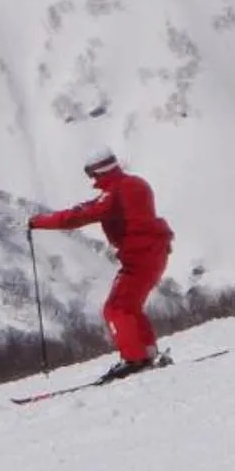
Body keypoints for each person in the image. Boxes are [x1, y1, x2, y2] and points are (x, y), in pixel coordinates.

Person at [29, 148, 175, 381]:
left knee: (116, 308)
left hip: (140, 256)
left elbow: (80, 216)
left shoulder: (115, 191)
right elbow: (97, 206)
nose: (92, 180)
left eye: (92, 174)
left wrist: (38, 222)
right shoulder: (134, 184)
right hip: (152, 252)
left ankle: (135, 360)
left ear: (100, 170)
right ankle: (146, 355)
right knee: (129, 306)